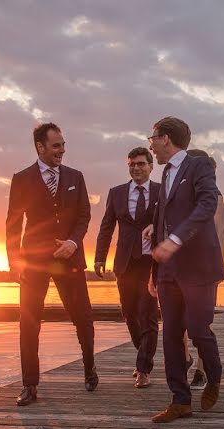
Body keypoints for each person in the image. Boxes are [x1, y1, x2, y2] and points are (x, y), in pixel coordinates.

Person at [5, 122, 96, 406]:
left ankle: (89, 368)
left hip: (69, 258)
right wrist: (14, 262)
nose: (62, 151)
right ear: (40, 147)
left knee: (82, 316)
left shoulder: (75, 177)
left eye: (63, 145)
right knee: (29, 323)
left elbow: (84, 214)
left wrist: (73, 242)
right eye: (56, 146)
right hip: (33, 262)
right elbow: (13, 223)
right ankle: (29, 385)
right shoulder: (21, 179)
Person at [144, 117, 224, 423]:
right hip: (168, 271)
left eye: (152, 138)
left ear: (165, 138)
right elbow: (163, 217)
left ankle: (214, 376)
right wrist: (155, 269)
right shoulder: (165, 174)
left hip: (197, 266)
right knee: (171, 336)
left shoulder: (198, 166)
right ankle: (180, 400)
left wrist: (176, 238)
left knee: (199, 329)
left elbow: (206, 205)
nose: (150, 144)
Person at [94, 148, 160, 389]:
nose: (136, 168)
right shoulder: (117, 193)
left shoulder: (161, 192)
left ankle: (144, 368)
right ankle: (143, 355)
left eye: (141, 164)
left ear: (151, 166)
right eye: (132, 164)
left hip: (151, 263)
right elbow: (106, 227)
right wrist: (99, 257)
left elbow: (169, 220)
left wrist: (155, 224)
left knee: (148, 314)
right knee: (130, 314)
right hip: (124, 264)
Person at [183, 149, 224, 391]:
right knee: (181, 321)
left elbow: (220, 234)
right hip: (181, 268)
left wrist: (216, 270)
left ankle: (201, 369)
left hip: (205, 268)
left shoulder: (215, 197)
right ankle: (187, 358)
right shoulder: (182, 193)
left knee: (201, 322)